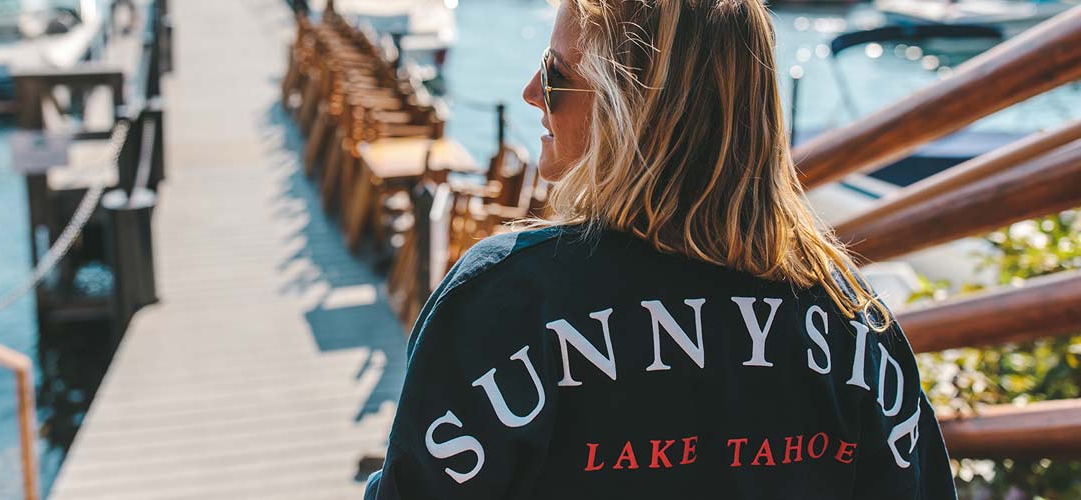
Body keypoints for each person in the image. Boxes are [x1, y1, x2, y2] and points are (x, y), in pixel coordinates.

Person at [364, 0, 957, 498]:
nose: (529, 93)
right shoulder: (854, 321)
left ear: (634, 109)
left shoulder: (508, 303)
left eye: (554, 74)